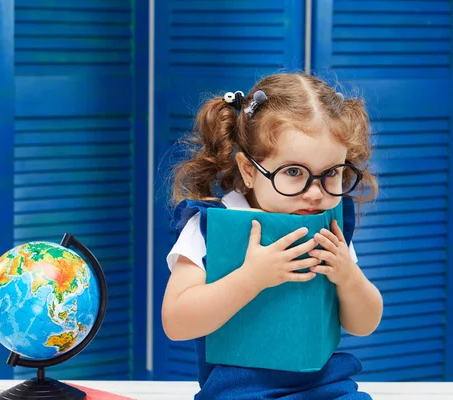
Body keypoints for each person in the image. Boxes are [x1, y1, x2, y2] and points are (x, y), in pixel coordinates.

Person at [161, 73, 383, 399]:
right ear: (250, 171)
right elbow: (176, 321)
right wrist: (251, 278)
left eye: (332, 173)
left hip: (324, 388)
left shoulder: (329, 227)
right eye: (293, 172)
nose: (315, 192)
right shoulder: (210, 225)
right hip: (238, 392)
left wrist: (348, 277)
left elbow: (364, 324)